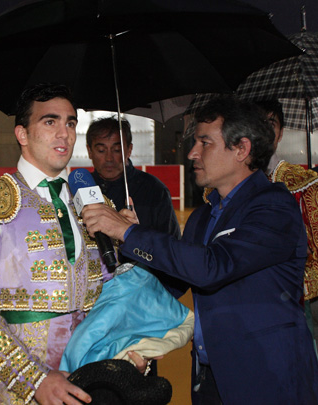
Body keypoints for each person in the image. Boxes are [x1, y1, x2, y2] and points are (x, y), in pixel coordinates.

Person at [81, 95, 318, 404]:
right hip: (208, 377)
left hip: (265, 376)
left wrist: (129, 232)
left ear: (241, 149)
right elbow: (173, 281)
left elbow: (212, 267)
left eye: (205, 143)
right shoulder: (203, 216)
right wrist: (125, 334)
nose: (192, 152)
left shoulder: (273, 207)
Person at [0, 83, 111, 405]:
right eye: (50, 122)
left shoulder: (94, 202)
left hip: (92, 377)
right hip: (22, 388)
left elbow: (112, 290)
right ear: (22, 134)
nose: (64, 133)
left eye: (70, 123)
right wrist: (34, 379)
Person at [257, 99, 318, 345]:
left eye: (271, 123)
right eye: (257, 123)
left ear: (280, 132)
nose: (264, 130)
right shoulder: (223, 186)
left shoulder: (304, 182)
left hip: (296, 298)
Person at [86, 117, 180, 238]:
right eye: (101, 150)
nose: (109, 158)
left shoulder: (155, 191)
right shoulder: (79, 190)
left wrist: (136, 235)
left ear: (129, 150)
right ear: (89, 151)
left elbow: (170, 246)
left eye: (117, 150)